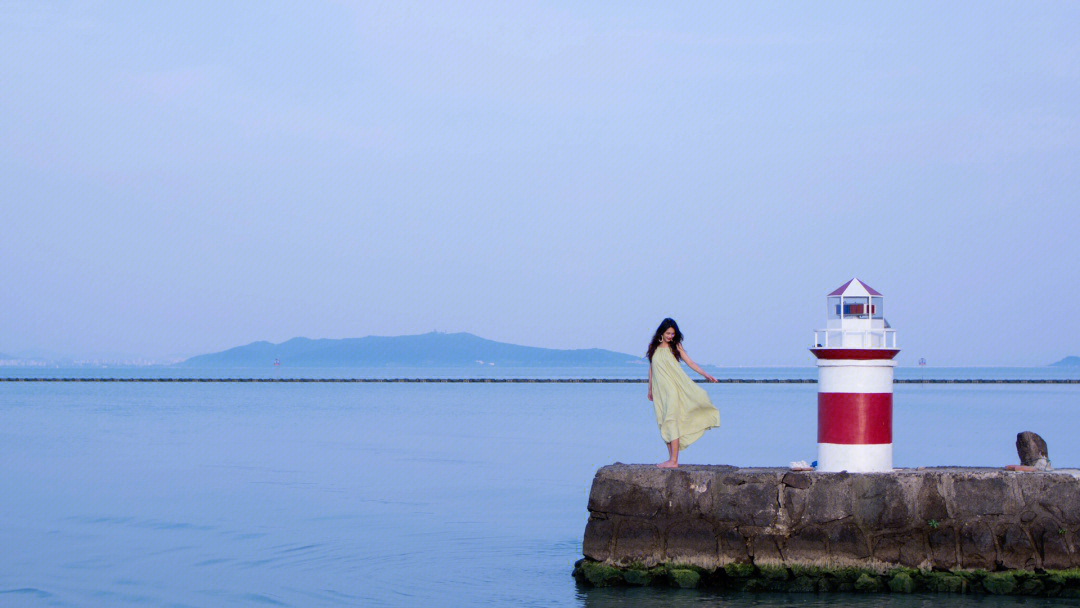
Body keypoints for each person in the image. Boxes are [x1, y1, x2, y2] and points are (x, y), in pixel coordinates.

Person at [647, 318, 720, 468]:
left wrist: (705, 375)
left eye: (673, 334)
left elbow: (690, 363)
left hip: (673, 390)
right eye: (668, 333)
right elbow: (652, 368)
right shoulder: (654, 347)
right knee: (663, 422)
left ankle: (674, 461)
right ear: (661, 331)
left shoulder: (676, 346)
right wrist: (649, 389)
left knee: (671, 421)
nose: (670, 336)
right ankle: (670, 459)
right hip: (660, 392)